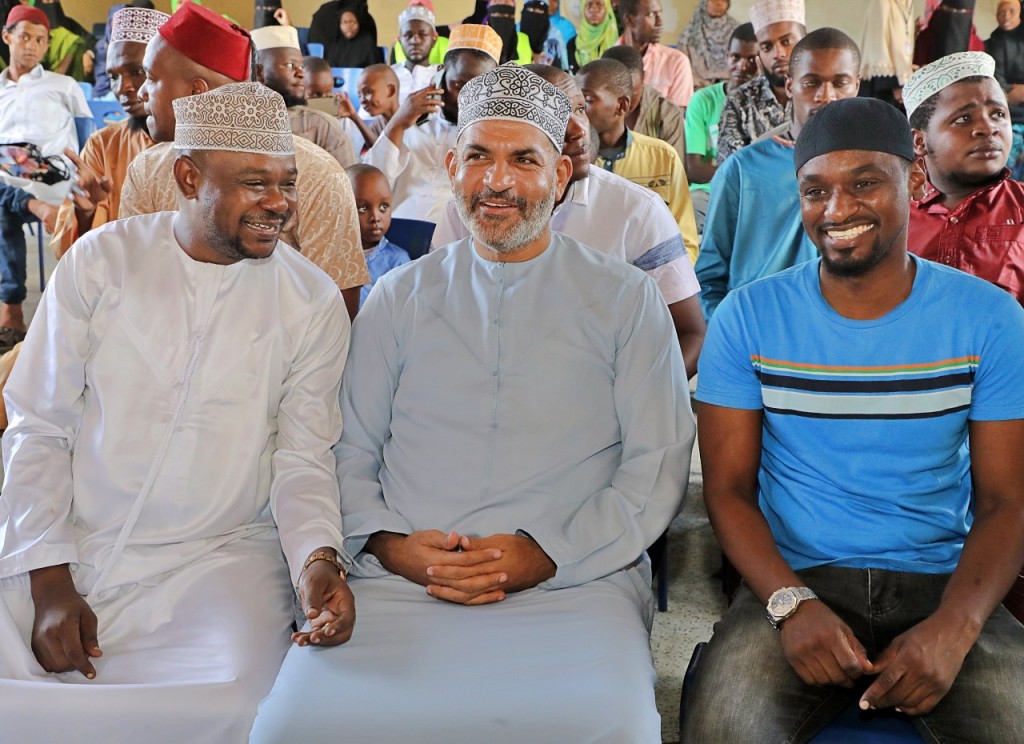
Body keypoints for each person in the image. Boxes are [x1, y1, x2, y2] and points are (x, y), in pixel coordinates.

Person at [249, 63, 693, 744]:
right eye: (479, 157)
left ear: (560, 176)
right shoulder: (399, 296)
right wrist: (391, 546)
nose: (497, 182)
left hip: (575, 582)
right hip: (400, 582)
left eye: (525, 161)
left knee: (611, 726)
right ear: (452, 167)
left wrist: (545, 554)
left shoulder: (626, 299)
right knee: (292, 727)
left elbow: (656, 463)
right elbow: (350, 448)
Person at [0, 81, 355, 744]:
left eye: (287, 183)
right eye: (255, 183)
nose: (279, 203)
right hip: (69, 538)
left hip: (218, 560)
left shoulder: (310, 301)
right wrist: (48, 578)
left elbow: (305, 457)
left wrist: (317, 560)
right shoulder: (101, 263)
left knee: (235, 702)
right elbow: (39, 426)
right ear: (189, 178)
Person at [683, 95, 1024, 744]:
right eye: (816, 191)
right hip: (796, 577)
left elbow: (1008, 500)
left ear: (914, 181)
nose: (837, 210)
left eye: (865, 183)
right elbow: (726, 490)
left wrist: (956, 628)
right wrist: (789, 605)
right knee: (724, 726)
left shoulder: (989, 319)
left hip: (943, 579)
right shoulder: (748, 319)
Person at [434, 62, 706, 378]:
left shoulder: (638, 211)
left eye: (579, 109)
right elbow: (441, 318)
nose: (579, 130)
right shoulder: (471, 209)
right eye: (558, 114)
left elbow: (689, 333)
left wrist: (635, 398)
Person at [119, 1, 369, 319]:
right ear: (187, 177)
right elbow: (132, 287)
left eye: (152, 78)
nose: (141, 92)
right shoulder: (147, 170)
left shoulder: (318, 174)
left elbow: (336, 316)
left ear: (196, 95)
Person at [696, 28, 861, 320]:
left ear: (856, 86)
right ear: (790, 85)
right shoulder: (742, 170)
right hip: (756, 327)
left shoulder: (873, 170)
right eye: (811, 83)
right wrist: (728, 333)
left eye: (840, 83)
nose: (826, 97)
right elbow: (708, 278)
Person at [0, 3, 89, 350]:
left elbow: (88, 139)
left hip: (55, 185)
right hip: (9, 184)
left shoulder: (64, 86)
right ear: (7, 37)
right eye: (25, 37)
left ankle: (10, 311)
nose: (32, 46)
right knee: (4, 201)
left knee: (3, 206)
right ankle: (12, 311)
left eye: (40, 40)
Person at [905, 52, 1024, 304]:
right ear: (919, 141)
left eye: (998, 114)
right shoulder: (892, 215)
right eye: (963, 118)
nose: (988, 128)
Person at [50, 7, 163, 260]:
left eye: (137, 72)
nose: (123, 87)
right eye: (113, 76)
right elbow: (71, 255)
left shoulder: (200, 146)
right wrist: (86, 213)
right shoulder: (102, 145)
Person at [365, 23, 500, 224]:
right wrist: (397, 125)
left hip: (454, 237)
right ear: (441, 74)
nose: (468, 98)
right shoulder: (411, 119)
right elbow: (370, 184)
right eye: (459, 85)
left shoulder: (493, 136)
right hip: (394, 229)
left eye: (480, 89)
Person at [578, 58, 700, 265]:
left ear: (621, 106)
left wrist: (662, 279)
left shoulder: (662, 157)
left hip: (653, 276)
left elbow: (685, 241)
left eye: (587, 101)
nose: (577, 110)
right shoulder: (573, 161)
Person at [683, 22, 759, 232]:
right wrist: (742, 178)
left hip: (754, 196)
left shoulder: (767, 107)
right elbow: (695, 169)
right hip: (708, 192)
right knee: (689, 213)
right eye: (736, 57)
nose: (742, 66)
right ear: (727, 57)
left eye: (751, 59)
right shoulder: (703, 100)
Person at [252, 24, 358, 168]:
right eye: (290, 65)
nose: (301, 73)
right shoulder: (237, 120)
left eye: (301, 67)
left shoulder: (323, 126)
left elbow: (348, 179)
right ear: (258, 72)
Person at [716, 0, 805, 164]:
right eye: (766, 47)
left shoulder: (822, 96)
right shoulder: (739, 101)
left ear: (805, 42)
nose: (778, 54)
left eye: (786, 42)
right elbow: (731, 170)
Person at [602, 44, 685, 160]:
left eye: (632, 95)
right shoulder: (587, 109)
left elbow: (673, 167)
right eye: (616, 96)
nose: (625, 104)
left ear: (643, 78)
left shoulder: (667, 116)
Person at [346, 163, 409, 307]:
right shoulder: (331, 255)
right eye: (363, 208)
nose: (375, 217)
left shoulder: (398, 261)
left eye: (383, 207)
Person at [617, 0, 692, 109]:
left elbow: (677, 116)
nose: (660, 22)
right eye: (651, 15)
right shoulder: (607, 62)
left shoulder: (676, 62)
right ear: (629, 20)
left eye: (660, 13)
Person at [985, 0, 1024, 180]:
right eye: (1001, 12)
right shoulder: (993, 42)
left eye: (1011, 11)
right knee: (1006, 170)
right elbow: (996, 82)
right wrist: (1012, 92)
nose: (1006, 16)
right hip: (1009, 118)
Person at [856, 0, 914, 108]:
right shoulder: (881, 3)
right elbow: (878, 48)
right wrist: (895, 85)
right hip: (881, 84)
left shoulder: (908, 4)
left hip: (899, 82)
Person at [679, 0, 739, 89]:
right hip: (698, 85)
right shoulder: (691, 32)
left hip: (730, 85)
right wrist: (697, 81)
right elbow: (683, 65)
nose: (718, 3)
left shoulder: (736, 30)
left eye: (723, 0)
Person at [311, 0, 382, 68]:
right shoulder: (336, 44)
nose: (348, 26)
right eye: (345, 22)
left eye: (352, 22)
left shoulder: (367, 42)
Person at [914, 0, 985, 68]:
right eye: (947, 9)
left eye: (960, 12)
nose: (953, 15)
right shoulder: (923, 40)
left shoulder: (978, 50)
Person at [392, 4, 438, 104]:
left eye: (423, 35)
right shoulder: (389, 75)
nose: (415, 41)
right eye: (408, 35)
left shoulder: (442, 75)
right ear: (399, 40)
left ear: (434, 39)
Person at [567, 0, 618, 72]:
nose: (594, 10)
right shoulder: (573, 45)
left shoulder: (618, 42)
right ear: (582, 9)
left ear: (608, 8)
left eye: (599, 4)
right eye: (589, 5)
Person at [520, 0, 569, 70]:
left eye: (540, 10)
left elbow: (564, 69)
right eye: (530, 9)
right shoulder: (516, 35)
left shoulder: (555, 39)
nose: (535, 15)